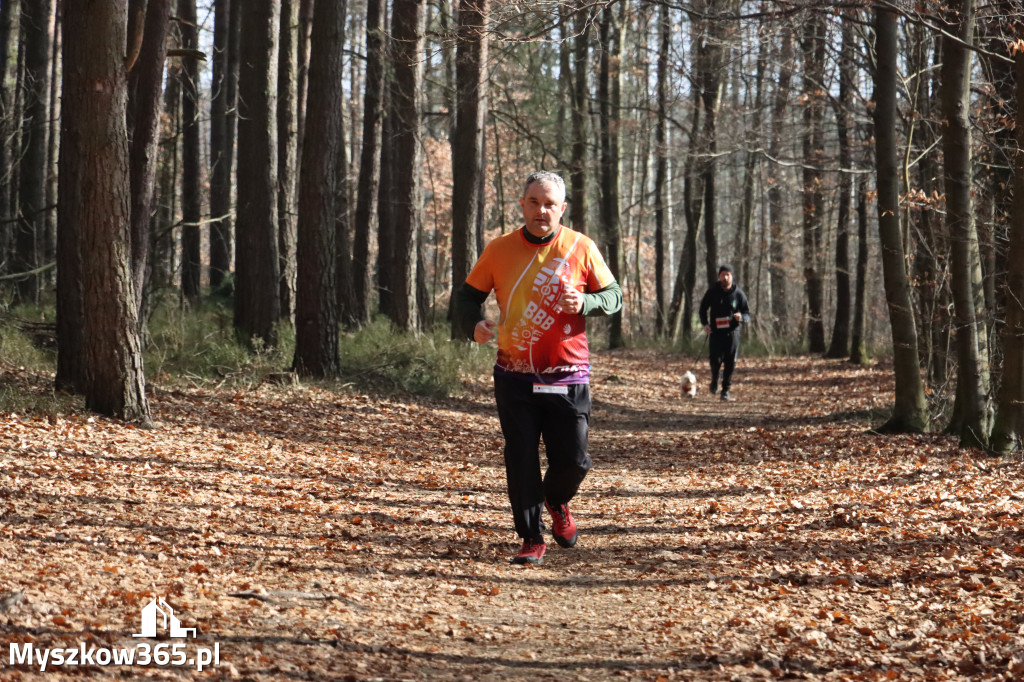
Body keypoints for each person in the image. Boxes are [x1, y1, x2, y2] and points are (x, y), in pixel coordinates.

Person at [455, 171, 622, 565]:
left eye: (549, 204)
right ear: (522, 205)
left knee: (575, 460)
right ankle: (531, 537)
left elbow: (613, 296)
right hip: (514, 374)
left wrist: (585, 304)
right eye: (534, 202)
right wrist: (472, 325)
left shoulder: (581, 247)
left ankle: (556, 498)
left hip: (568, 374)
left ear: (561, 209)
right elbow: (465, 299)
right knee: (521, 456)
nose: (541, 210)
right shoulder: (498, 250)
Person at [698, 264, 751, 401]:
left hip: (732, 333)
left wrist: (741, 317)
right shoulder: (712, 292)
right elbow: (702, 309)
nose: (725, 277)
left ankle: (725, 391)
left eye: (728, 274)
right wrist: (705, 324)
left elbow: (747, 314)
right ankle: (714, 379)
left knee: (730, 362)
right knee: (715, 360)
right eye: (723, 274)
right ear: (719, 276)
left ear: (732, 276)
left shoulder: (738, 294)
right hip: (715, 332)